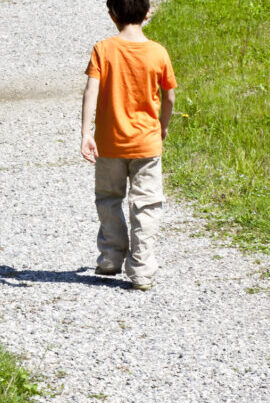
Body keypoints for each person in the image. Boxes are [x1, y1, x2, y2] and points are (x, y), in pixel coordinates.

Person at [80, 0, 176, 291]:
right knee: (146, 205)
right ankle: (142, 270)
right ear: (148, 13)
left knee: (108, 198)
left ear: (112, 16)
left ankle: (110, 257)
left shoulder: (103, 49)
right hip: (146, 143)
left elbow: (90, 91)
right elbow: (169, 96)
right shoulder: (158, 52)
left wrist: (87, 133)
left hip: (109, 143)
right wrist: (163, 126)